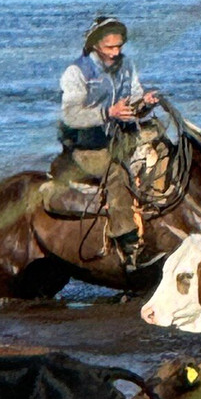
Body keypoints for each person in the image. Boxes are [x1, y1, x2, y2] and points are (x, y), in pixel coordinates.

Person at [54, 16, 158, 269]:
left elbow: (132, 99)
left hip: (121, 139)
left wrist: (143, 103)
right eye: (110, 48)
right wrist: (107, 113)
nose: (116, 53)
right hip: (88, 148)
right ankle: (126, 240)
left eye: (119, 46)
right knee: (118, 173)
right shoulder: (76, 73)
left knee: (161, 145)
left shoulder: (127, 66)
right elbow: (70, 115)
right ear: (95, 46)